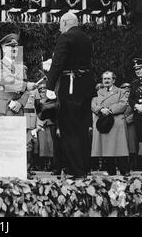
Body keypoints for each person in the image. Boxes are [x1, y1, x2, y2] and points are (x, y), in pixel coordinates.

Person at [45, 12, 95, 179]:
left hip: (71, 87)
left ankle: (75, 169)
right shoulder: (86, 38)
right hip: (85, 88)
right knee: (82, 129)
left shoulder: (65, 37)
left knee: (69, 129)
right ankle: (85, 167)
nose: (60, 28)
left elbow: (58, 62)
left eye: (60, 24)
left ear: (65, 22)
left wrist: (50, 86)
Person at [91, 71, 130, 176]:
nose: (106, 81)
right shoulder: (98, 92)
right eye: (104, 79)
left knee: (120, 147)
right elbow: (93, 104)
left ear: (113, 80)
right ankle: (110, 170)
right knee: (107, 148)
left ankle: (124, 170)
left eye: (108, 78)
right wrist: (100, 110)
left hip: (116, 121)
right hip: (103, 121)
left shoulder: (121, 91)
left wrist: (109, 110)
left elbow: (123, 104)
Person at [0, 34, 36, 116]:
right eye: (11, 46)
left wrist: (20, 103)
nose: (14, 49)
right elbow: (5, 80)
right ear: (4, 49)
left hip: (16, 111)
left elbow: (27, 90)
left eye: (16, 47)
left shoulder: (22, 68)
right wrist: (25, 85)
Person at [35, 82, 59, 173]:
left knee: (51, 145)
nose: (43, 92)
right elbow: (37, 112)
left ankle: (52, 163)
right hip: (40, 124)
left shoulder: (52, 100)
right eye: (41, 91)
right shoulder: (38, 101)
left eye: (44, 90)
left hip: (50, 123)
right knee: (42, 146)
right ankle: (44, 164)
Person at [121, 83, 139, 170]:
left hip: (131, 124)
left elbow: (136, 111)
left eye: (128, 91)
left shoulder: (134, 100)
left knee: (132, 144)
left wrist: (130, 118)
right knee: (122, 144)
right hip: (121, 124)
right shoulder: (119, 100)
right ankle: (123, 165)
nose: (127, 93)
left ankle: (134, 164)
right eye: (125, 91)